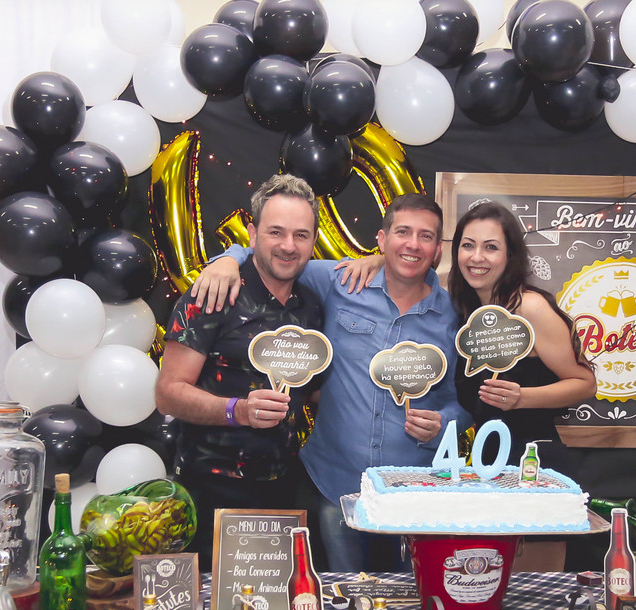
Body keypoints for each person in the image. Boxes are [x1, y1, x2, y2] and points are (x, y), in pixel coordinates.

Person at [191, 193, 469, 572]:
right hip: (334, 486)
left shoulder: (453, 316)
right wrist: (229, 258)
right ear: (382, 238)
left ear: (437, 250)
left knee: (410, 598)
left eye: (426, 236)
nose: (413, 244)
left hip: (412, 494)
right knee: (341, 595)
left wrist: (443, 423)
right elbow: (277, 257)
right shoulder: (340, 282)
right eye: (403, 232)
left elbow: (464, 403)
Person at [155, 174, 324, 558]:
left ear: (313, 240)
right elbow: (167, 393)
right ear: (252, 234)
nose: (288, 245)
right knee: (212, 597)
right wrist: (239, 411)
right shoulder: (213, 295)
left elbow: (314, 390)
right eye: (276, 232)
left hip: (284, 493)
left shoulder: (311, 307)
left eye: (300, 235)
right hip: (209, 491)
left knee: (278, 595)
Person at [448, 201, 597, 474]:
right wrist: (377, 261)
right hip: (486, 462)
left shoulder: (529, 308)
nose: (476, 257)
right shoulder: (467, 311)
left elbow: (585, 384)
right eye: (468, 245)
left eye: (491, 247)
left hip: (532, 462)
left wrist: (522, 397)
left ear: (510, 255)